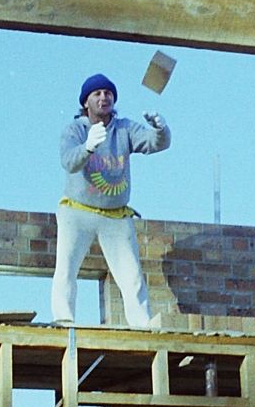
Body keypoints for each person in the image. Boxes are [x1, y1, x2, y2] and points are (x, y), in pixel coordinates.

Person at [52, 73, 170, 328]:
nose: (104, 98)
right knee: (66, 269)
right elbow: (69, 161)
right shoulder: (75, 130)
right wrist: (87, 147)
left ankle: (142, 327)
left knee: (132, 277)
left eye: (108, 94)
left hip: (114, 215)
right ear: (86, 102)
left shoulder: (124, 128)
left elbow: (155, 143)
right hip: (78, 210)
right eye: (97, 94)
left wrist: (161, 130)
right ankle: (64, 320)